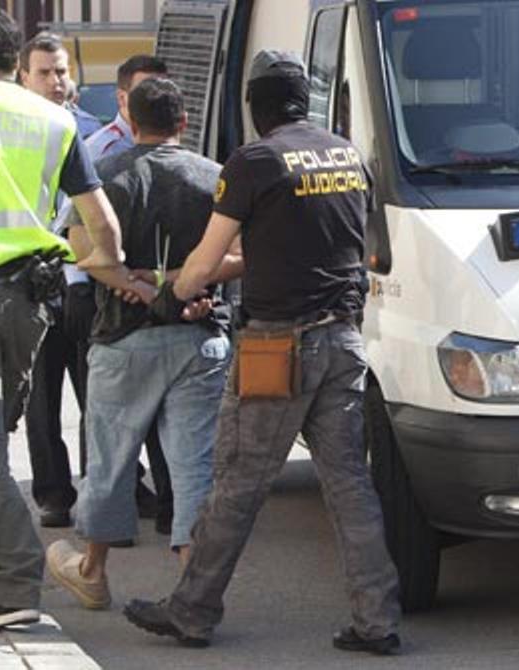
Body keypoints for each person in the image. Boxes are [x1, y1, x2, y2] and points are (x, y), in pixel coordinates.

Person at [122, 50, 402, 654]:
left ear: (256, 106)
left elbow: (206, 258)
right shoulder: (346, 155)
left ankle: (191, 610)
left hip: (277, 348)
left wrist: (171, 295)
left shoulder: (254, 161)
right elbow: (337, 245)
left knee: (237, 481)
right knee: (350, 485)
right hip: (343, 340)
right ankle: (377, 620)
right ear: (304, 100)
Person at [0, 7, 138, 630]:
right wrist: (108, 266)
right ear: (16, 62)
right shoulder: (54, 119)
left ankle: (14, 585)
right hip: (33, 303)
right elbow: (102, 222)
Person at [45, 77, 234, 610]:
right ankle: (195, 588)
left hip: (123, 338)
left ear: (131, 121)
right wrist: (180, 286)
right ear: (183, 122)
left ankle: (92, 571)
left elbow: (83, 252)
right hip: (200, 336)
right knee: (194, 466)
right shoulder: (215, 177)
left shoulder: (106, 174)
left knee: (109, 461)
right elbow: (242, 254)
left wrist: (140, 285)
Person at [77, 53, 177, 537]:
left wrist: (146, 284)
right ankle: (114, 525)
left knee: (157, 423)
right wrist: (140, 285)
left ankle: (160, 515)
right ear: (123, 100)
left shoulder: (191, 164)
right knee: (110, 433)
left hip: (158, 305)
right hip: (108, 303)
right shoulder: (97, 153)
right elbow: (82, 247)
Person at [16, 31, 105, 530]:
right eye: (45, 72)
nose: (55, 81)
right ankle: (53, 493)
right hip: (36, 282)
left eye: (62, 71)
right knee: (42, 399)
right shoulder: (10, 132)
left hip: (87, 282)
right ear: (23, 76)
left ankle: (104, 489)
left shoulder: (90, 131)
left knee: (98, 395)